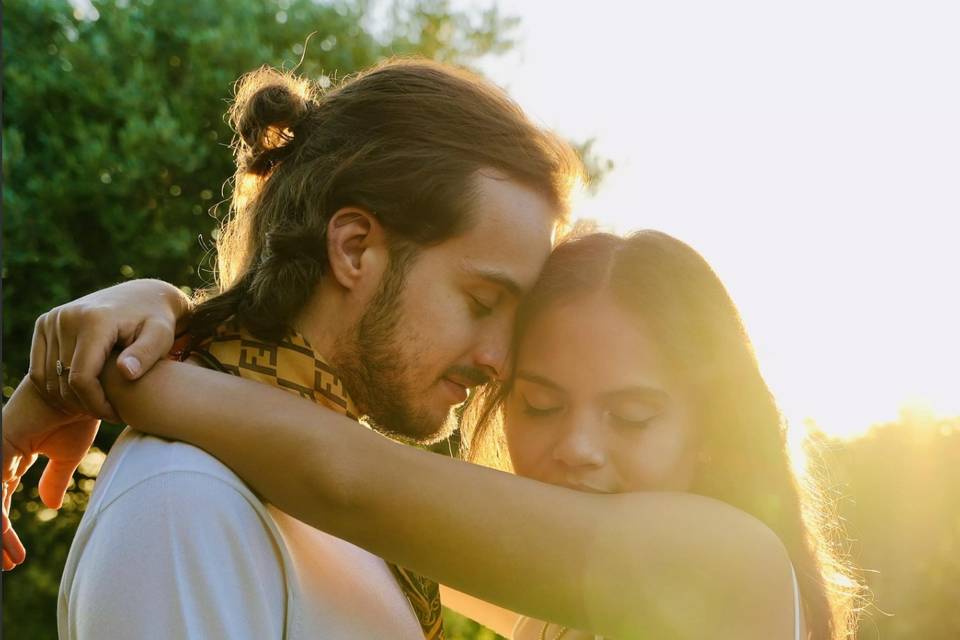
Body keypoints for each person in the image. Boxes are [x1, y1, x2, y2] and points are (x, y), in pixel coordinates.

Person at [6, 230, 863, 638]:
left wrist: (118, 375)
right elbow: (338, 503)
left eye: (632, 415)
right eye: (539, 403)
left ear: (710, 429)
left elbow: (347, 479)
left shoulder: (728, 565)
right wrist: (164, 312)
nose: (579, 447)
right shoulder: (557, 610)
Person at [2, 57, 580, 639]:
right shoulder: (184, 501)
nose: (499, 361)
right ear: (354, 249)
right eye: (482, 302)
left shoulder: (357, 516)